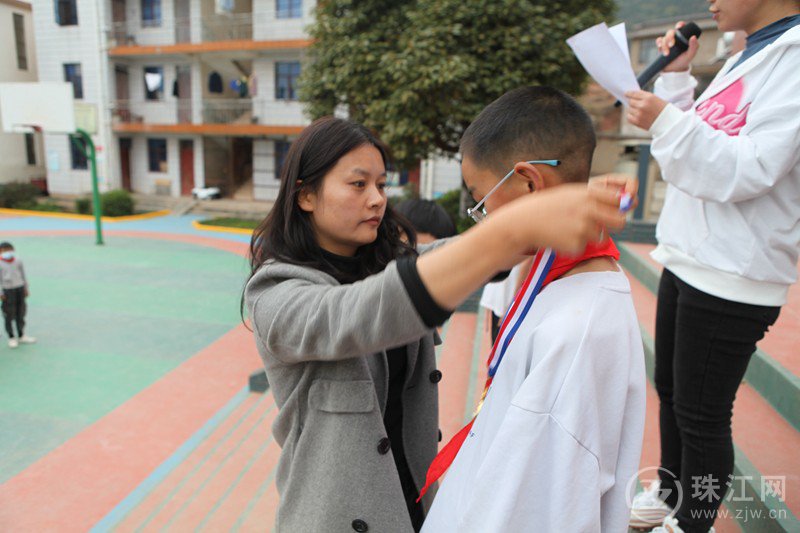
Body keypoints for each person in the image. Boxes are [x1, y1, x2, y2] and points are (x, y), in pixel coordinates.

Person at [243, 116, 631, 532]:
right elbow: (355, 314)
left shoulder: (386, 260)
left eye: (381, 184)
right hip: (333, 518)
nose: (377, 199)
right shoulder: (274, 292)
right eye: (359, 185)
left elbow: (449, 257)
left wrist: (568, 203)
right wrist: (509, 230)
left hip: (417, 507)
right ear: (305, 196)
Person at [420, 86, 646, 532]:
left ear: (528, 182)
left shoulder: (575, 333)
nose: (482, 217)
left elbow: (533, 511)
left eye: (480, 200)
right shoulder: (546, 272)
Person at [625, 2, 800, 531]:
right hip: (692, 254)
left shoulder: (793, 59)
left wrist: (664, 118)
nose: (712, 3)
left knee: (702, 417)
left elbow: (751, 168)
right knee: (674, 392)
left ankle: (690, 523)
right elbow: (708, 135)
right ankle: (672, 491)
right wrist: (676, 85)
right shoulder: (756, 47)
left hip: (733, 273)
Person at [0, 242, 36, 348]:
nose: (7, 252)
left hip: (19, 288)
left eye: (9, 250)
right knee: (9, 314)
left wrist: (26, 288)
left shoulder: (18, 261)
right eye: (4, 250)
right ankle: (11, 336)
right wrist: (1, 292)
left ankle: (21, 335)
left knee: (21, 312)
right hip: (7, 290)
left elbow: (23, 274)